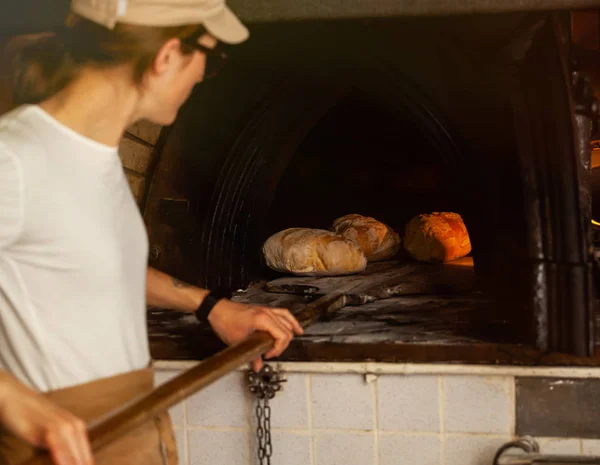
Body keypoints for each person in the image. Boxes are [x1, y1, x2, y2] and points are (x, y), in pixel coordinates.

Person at [0, 1, 303, 464]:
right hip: (62, 445)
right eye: (208, 55)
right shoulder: (15, 158)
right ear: (165, 57)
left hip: (131, 423)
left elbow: (89, 266)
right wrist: (13, 403)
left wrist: (212, 307)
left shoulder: (94, 156)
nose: (203, 74)